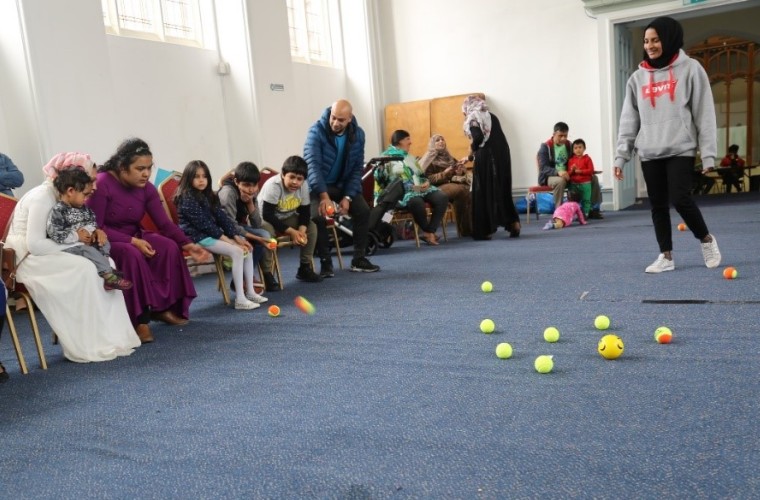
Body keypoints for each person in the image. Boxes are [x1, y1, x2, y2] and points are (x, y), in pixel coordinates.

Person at [4, 152, 140, 360]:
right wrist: (78, 240)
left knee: (107, 262)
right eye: (90, 180)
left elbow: (81, 225)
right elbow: (35, 245)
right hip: (29, 258)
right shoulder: (42, 197)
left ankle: (114, 338)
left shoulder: (70, 196)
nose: (93, 187)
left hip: (54, 248)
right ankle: (90, 342)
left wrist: (94, 233)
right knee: (85, 268)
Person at [614, 16, 721, 273]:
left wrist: (708, 155)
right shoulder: (637, 78)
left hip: (680, 147)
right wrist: (621, 157)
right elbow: (629, 120)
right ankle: (666, 256)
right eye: (647, 41)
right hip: (650, 151)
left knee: (680, 198)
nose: (650, 45)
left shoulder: (691, 69)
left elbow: (704, 113)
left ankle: (706, 239)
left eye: (656, 40)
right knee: (658, 205)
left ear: (669, 38)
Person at [86, 138, 210, 342]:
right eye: (139, 168)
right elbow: (96, 228)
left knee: (168, 247)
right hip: (107, 241)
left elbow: (165, 224)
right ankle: (139, 321)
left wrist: (188, 244)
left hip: (134, 235)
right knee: (131, 254)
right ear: (122, 167)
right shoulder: (102, 184)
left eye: (148, 168)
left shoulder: (146, 188)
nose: (146, 173)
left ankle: (163, 308)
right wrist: (133, 242)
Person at [176, 160, 267, 310]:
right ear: (188, 178)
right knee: (238, 251)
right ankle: (240, 299)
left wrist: (237, 238)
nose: (201, 180)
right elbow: (207, 226)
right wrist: (231, 242)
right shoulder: (186, 199)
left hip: (210, 234)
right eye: (196, 176)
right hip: (196, 237)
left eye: (204, 176)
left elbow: (222, 218)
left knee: (247, 247)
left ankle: (250, 292)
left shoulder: (208, 195)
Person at [304, 99, 380, 274]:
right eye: (333, 117)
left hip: (341, 185)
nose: (335, 123)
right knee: (318, 216)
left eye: (341, 120)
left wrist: (347, 197)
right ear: (330, 113)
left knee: (362, 210)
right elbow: (312, 166)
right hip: (319, 186)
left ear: (349, 118)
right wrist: (324, 197)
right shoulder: (316, 132)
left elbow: (356, 169)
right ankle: (326, 263)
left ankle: (359, 259)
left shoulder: (358, 135)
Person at [46, 167, 133, 291]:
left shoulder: (83, 208)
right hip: (71, 246)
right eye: (84, 195)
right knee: (89, 251)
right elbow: (55, 233)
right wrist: (77, 236)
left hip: (86, 242)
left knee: (104, 243)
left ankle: (106, 265)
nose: (86, 199)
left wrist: (92, 232)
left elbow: (92, 221)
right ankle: (109, 277)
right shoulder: (59, 211)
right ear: (70, 191)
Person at [462, 95, 521, 240]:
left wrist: (472, 150)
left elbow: (478, 138)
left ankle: (485, 230)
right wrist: (470, 157)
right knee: (502, 188)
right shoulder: (491, 116)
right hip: (502, 154)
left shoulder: (473, 117)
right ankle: (514, 223)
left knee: (483, 190)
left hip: (486, 157)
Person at [376, 130, 450, 246]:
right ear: (400, 141)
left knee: (442, 197)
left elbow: (420, 174)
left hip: (418, 188)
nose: (411, 142)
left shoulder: (409, 157)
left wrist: (425, 182)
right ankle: (428, 232)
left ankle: (429, 231)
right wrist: (381, 168)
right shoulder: (386, 157)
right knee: (417, 202)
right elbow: (381, 180)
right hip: (402, 192)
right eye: (408, 139)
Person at [259, 155, 322, 283]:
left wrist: (301, 232)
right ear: (283, 174)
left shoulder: (303, 186)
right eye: (292, 177)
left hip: (286, 216)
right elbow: (267, 215)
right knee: (267, 234)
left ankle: (304, 268)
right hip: (265, 218)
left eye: (299, 179)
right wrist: (292, 232)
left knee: (311, 227)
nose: (295, 182)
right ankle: (267, 274)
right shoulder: (274, 185)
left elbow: (305, 211)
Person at [218, 161, 279, 291]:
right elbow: (229, 226)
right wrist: (255, 238)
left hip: (238, 226)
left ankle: (242, 278)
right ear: (236, 181)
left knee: (265, 235)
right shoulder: (228, 193)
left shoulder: (252, 192)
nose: (250, 189)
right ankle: (245, 278)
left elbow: (257, 224)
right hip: (223, 229)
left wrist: (250, 203)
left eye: (254, 185)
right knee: (248, 241)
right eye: (246, 185)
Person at [537, 122, 604, 218]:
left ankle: (592, 209)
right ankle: (559, 213)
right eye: (560, 136)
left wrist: (588, 170)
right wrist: (558, 172)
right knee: (560, 181)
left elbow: (577, 161)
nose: (563, 138)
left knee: (594, 178)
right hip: (551, 177)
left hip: (570, 175)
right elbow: (543, 168)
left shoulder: (569, 145)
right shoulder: (545, 147)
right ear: (554, 134)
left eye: (565, 136)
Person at [419, 134, 473, 237]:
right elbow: (428, 179)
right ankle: (465, 230)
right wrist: (445, 173)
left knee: (469, 191)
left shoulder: (449, 157)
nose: (441, 142)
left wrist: (460, 171)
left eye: (442, 139)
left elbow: (459, 172)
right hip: (435, 187)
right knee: (461, 190)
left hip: (451, 184)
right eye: (437, 140)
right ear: (432, 144)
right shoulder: (428, 159)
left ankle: (471, 228)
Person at [567, 139, 595, 217]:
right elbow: (568, 173)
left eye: (580, 147)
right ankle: (573, 215)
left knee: (586, 199)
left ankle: (585, 215)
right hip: (574, 184)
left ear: (584, 148)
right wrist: (572, 170)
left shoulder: (587, 159)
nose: (578, 150)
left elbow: (591, 170)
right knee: (572, 200)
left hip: (585, 183)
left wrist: (581, 171)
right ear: (573, 150)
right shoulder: (571, 160)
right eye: (575, 148)